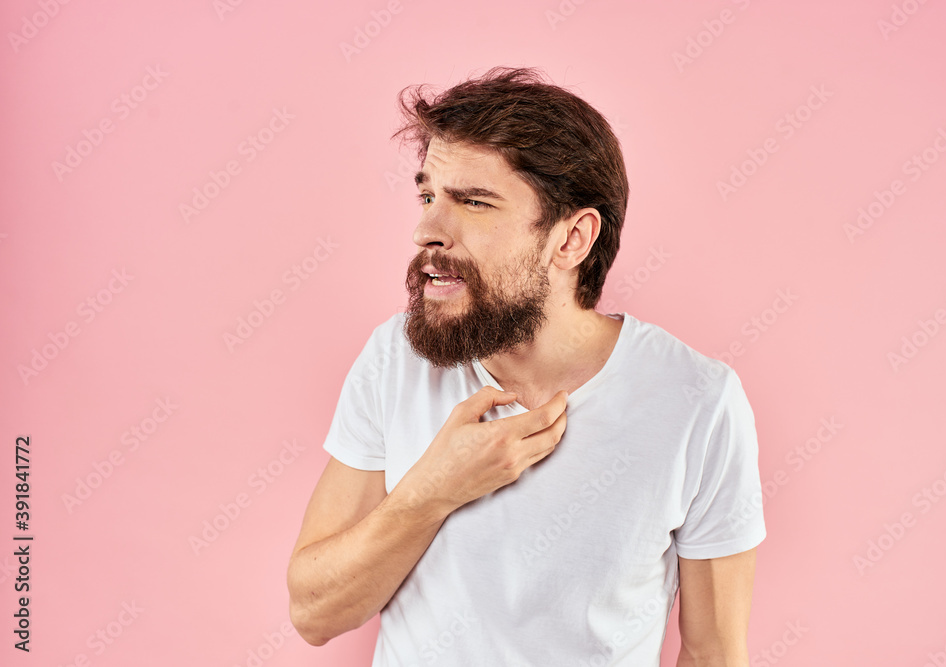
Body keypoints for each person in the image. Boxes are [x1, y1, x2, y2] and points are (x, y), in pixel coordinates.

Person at [286, 66, 766, 666]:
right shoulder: (394, 358)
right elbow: (314, 612)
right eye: (428, 194)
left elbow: (714, 653)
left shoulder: (697, 400)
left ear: (571, 239)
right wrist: (433, 491)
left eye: (474, 202)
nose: (426, 229)